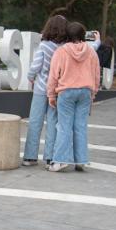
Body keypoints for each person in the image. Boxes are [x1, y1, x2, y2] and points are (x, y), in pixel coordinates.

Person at [46, 21, 100, 172]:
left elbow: (53, 76)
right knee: (80, 126)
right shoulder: (91, 52)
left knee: (64, 126)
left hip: (66, 92)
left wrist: (51, 95)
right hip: (85, 92)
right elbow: (96, 75)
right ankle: (80, 160)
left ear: (67, 35)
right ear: (83, 35)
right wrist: (93, 93)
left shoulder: (61, 51)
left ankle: (60, 161)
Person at [23, 15, 68, 166]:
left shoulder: (44, 46)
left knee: (35, 122)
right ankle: (49, 157)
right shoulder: (64, 48)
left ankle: (30, 157)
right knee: (53, 123)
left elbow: (36, 66)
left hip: (41, 88)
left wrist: (30, 77)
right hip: (56, 90)